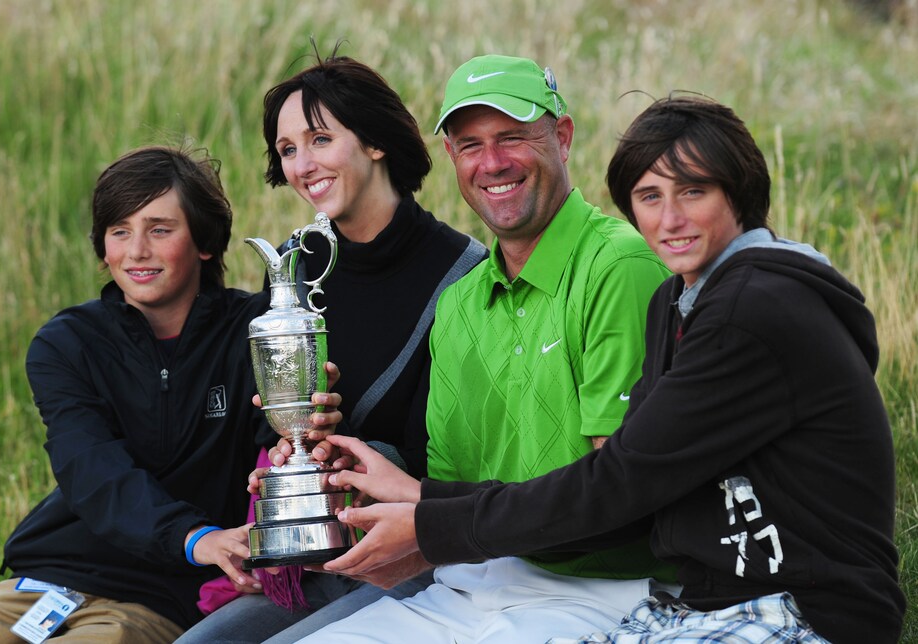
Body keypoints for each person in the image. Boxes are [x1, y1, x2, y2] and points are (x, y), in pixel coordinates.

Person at [312, 95, 906, 643]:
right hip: (704, 607)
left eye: (693, 192)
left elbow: (616, 484)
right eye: (649, 197)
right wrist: (429, 503)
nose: (669, 219)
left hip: (806, 609)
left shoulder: (754, 307)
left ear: (740, 193)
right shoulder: (678, 303)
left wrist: (432, 527)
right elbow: (625, 501)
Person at [282, 54, 676, 644]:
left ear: (562, 137)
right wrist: (353, 502)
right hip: (471, 586)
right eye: (470, 145)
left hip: (601, 592)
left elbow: (616, 506)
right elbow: (454, 493)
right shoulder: (461, 304)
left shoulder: (617, 266)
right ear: (452, 159)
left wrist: (423, 512)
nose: (491, 163)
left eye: (512, 137)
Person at [0, 146, 340, 642]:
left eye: (159, 229)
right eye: (120, 231)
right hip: (48, 579)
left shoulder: (258, 332)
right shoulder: (68, 342)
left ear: (203, 242)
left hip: (157, 598)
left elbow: (279, 451)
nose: (136, 251)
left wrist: (312, 428)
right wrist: (192, 537)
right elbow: (91, 467)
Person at [176, 49, 486, 643]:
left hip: (413, 557)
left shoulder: (463, 275)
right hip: (312, 551)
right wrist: (283, 453)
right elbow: (273, 431)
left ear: (374, 142)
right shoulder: (293, 266)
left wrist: (354, 449)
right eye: (288, 149)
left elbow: (454, 461)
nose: (301, 165)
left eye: (319, 139)